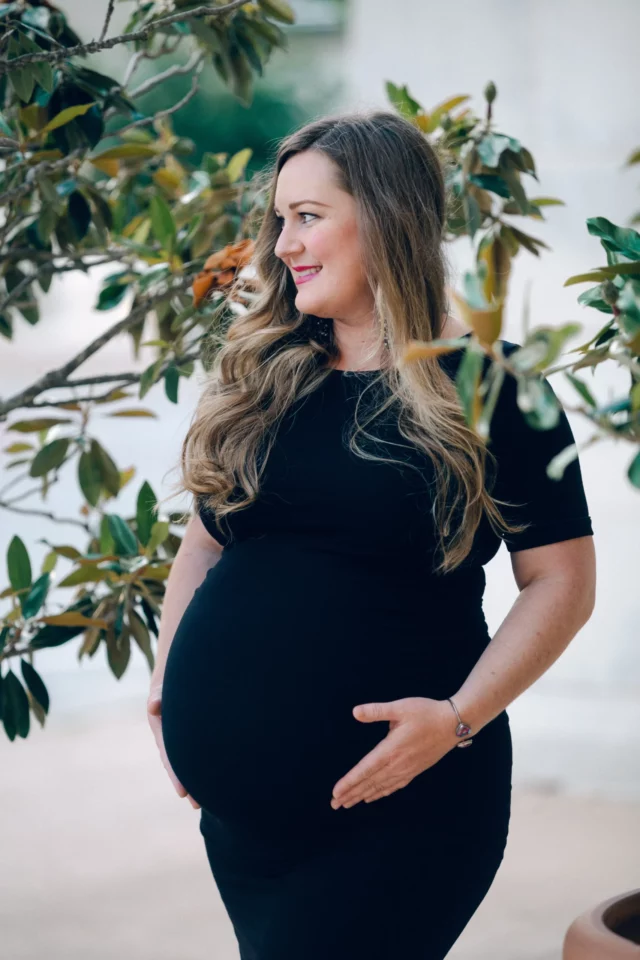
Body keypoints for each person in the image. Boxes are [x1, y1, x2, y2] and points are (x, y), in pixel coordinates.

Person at [147, 111, 596, 959]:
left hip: (403, 811)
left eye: (308, 217)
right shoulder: (266, 375)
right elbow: (205, 545)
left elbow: (563, 583)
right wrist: (171, 682)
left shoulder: (494, 388)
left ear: (388, 218)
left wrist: (458, 718)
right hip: (247, 834)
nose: (283, 244)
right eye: (280, 219)